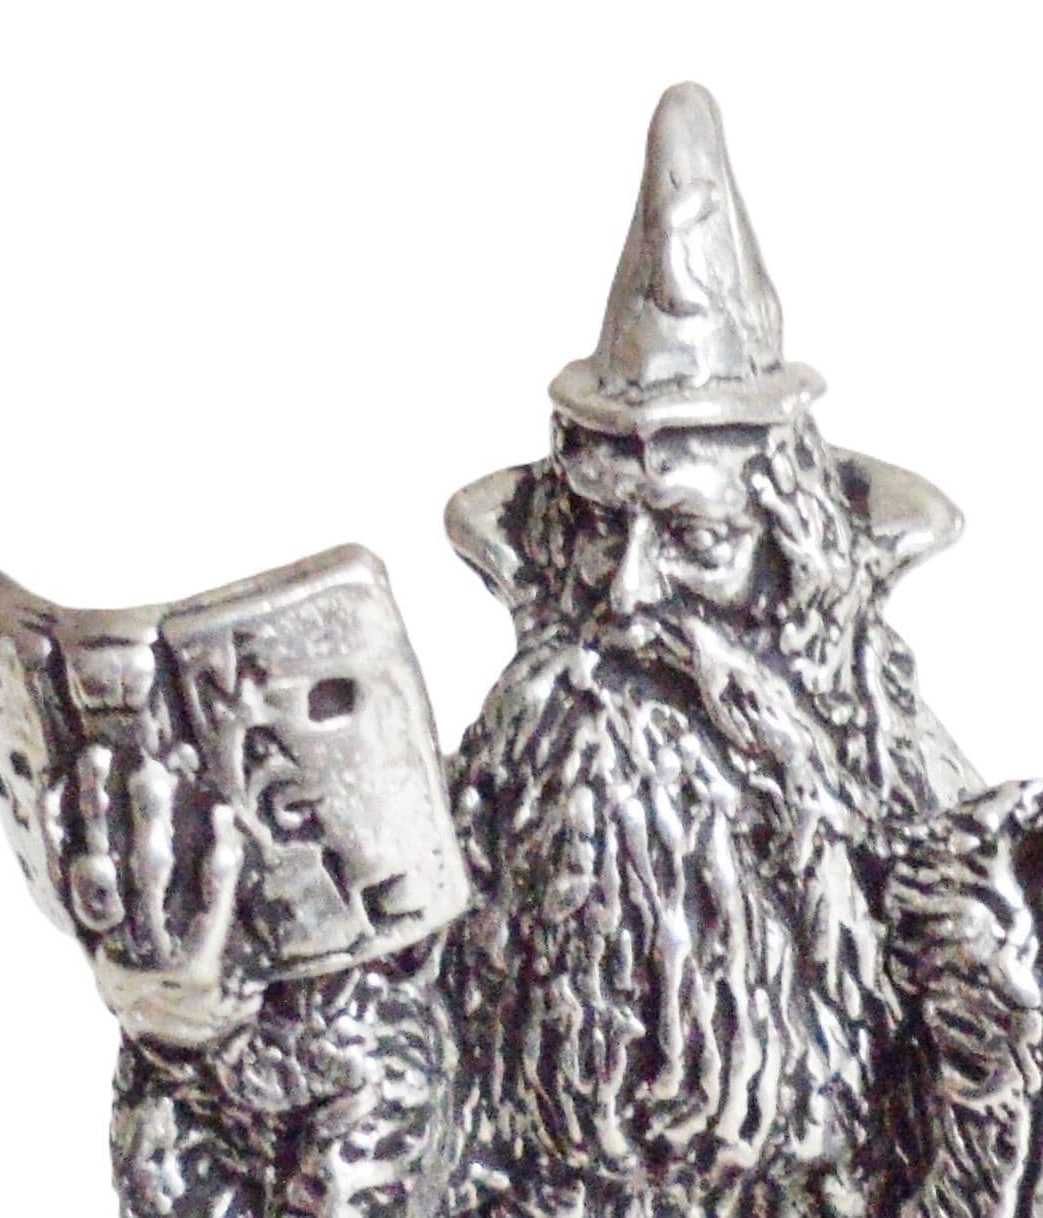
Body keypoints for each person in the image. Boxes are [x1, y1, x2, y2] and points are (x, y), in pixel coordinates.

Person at [442, 83, 1043, 1218]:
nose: (627, 593)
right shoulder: (492, 805)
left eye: (695, 542)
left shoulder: (904, 814)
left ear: (793, 558)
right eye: (598, 529)